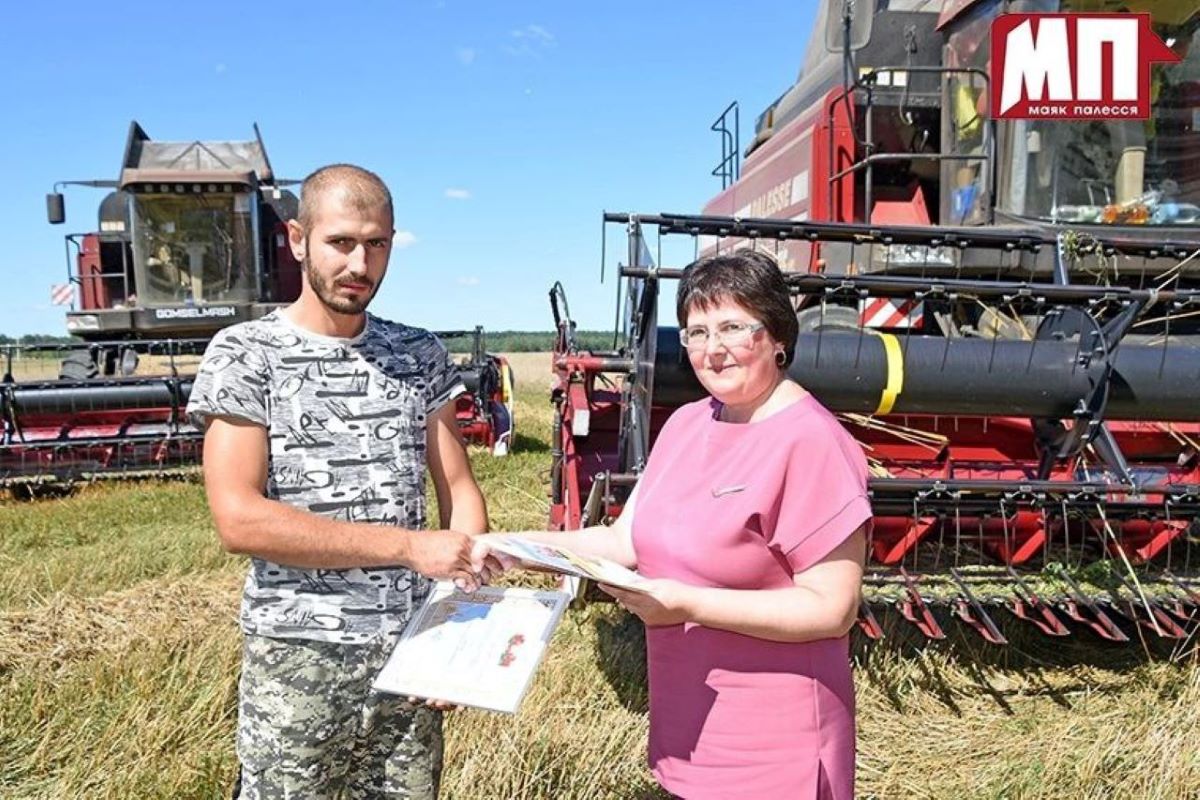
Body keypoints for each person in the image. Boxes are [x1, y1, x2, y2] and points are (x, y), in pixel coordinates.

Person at [479, 250, 870, 799]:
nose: (713, 349)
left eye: (733, 328)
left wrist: (685, 604)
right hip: (690, 721)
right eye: (697, 332)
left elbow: (831, 609)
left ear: (779, 335)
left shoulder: (812, 442)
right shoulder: (687, 423)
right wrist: (513, 547)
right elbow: (622, 540)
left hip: (777, 741)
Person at [188, 163, 491, 799]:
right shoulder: (245, 354)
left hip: (410, 654)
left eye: (376, 244)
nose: (360, 264)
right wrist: (408, 548)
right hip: (297, 656)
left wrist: (455, 626)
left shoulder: (418, 354)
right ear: (298, 240)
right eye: (342, 242)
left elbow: (459, 488)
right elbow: (238, 518)